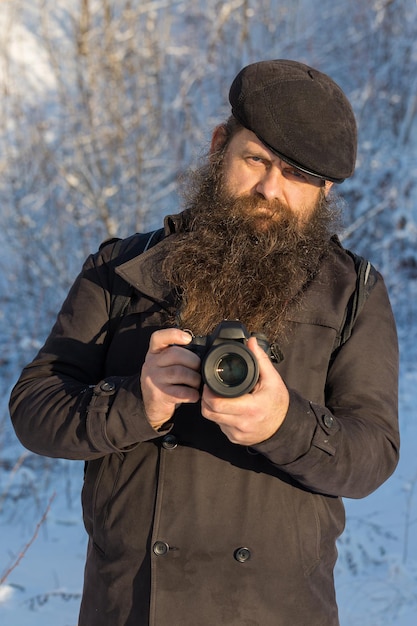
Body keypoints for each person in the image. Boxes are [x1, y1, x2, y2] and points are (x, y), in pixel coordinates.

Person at [9, 59, 399, 626]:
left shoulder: (352, 294)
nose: (270, 189)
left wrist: (283, 424)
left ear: (325, 189)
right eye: (256, 160)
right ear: (220, 146)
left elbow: (373, 456)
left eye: (297, 175)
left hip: (277, 613)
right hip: (129, 609)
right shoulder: (121, 269)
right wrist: (133, 404)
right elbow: (32, 409)